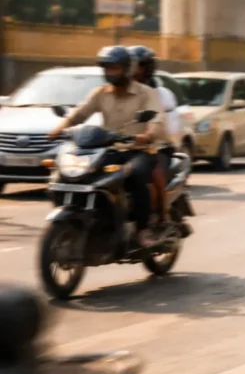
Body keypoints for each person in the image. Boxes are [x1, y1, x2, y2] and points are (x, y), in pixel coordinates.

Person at [48, 46, 165, 248]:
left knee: (135, 175)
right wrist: (57, 130)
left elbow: (157, 119)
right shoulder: (100, 93)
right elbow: (79, 114)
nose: (111, 73)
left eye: (115, 68)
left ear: (128, 69)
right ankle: (83, 218)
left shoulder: (146, 93)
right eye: (108, 68)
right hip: (109, 149)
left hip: (139, 150)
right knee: (70, 174)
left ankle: (143, 228)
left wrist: (147, 135)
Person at [129, 45, 176, 226]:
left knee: (155, 173)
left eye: (138, 66)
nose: (134, 70)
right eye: (131, 65)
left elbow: (162, 121)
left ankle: (162, 215)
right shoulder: (120, 90)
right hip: (126, 145)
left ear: (147, 68)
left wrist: (149, 135)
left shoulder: (160, 94)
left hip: (157, 146)